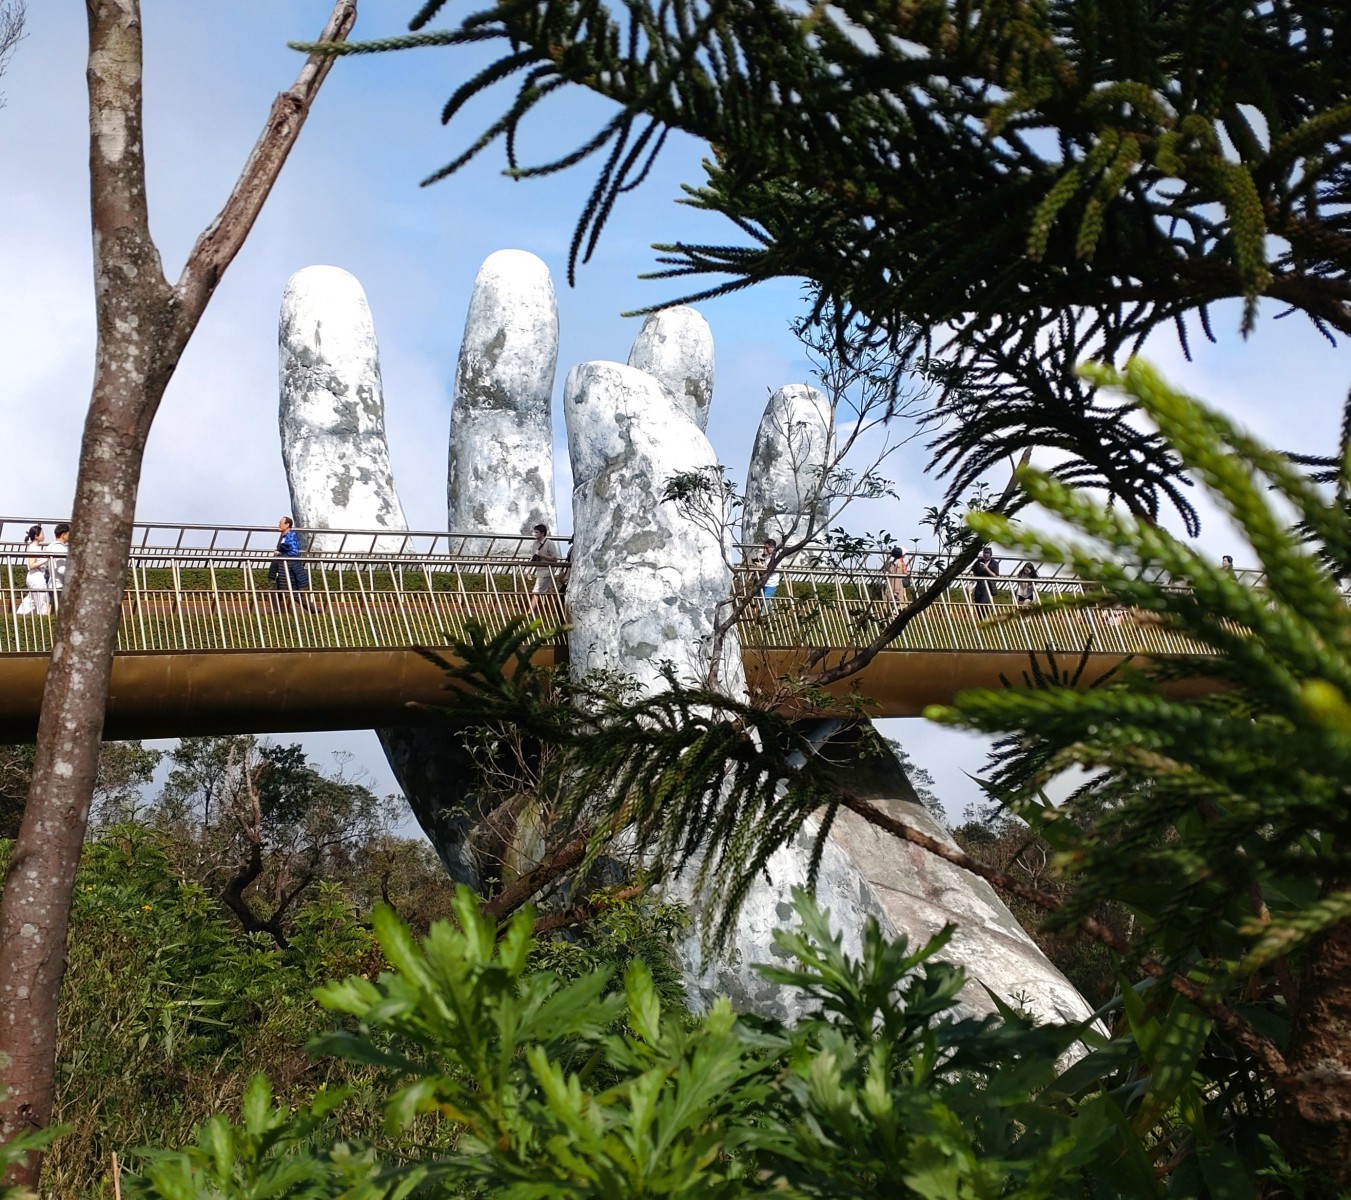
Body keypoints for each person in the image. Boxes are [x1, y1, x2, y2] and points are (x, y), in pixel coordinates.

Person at [270, 516, 315, 611]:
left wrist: (280, 553)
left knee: (293, 593)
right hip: (284, 568)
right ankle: (277, 612)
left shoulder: (290, 536)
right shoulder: (284, 536)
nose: (278, 525)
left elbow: (294, 552)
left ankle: (314, 610)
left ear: (287, 525)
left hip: (289, 568)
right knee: (276, 591)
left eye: (280, 523)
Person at [16, 525, 49, 615]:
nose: (43, 535)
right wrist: (45, 560)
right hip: (36, 577)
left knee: (30, 601)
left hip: (35, 576)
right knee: (41, 602)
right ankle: (42, 620)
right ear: (36, 536)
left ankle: (18, 616)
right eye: (42, 534)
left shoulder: (35, 547)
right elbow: (31, 565)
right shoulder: (33, 548)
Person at [528, 523, 561, 612]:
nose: (534, 534)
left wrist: (542, 555)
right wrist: (530, 570)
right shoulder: (535, 544)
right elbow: (533, 557)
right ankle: (553, 610)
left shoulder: (549, 543)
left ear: (542, 533)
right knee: (548, 590)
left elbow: (554, 558)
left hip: (547, 570)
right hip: (539, 569)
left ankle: (530, 612)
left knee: (536, 591)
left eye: (536, 532)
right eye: (534, 532)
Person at [48, 522, 70, 605]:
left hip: (53, 585)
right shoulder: (60, 548)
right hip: (59, 586)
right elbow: (61, 569)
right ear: (63, 535)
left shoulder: (51, 546)